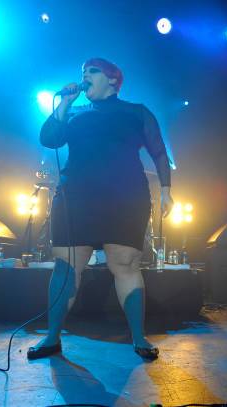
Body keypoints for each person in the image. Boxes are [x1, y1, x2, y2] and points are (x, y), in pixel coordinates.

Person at [28, 57, 173, 360]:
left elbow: (159, 152)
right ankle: (52, 339)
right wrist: (65, 103)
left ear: (112, 79)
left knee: (125, 266)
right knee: (66, 268)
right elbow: (49, 138)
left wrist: (166, 191)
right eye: (83, 72)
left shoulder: (136, 112)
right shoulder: (75, 113)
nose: (85, 76)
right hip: (76, 197)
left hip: (125, 197)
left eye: (92, 71)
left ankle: (138, 337)